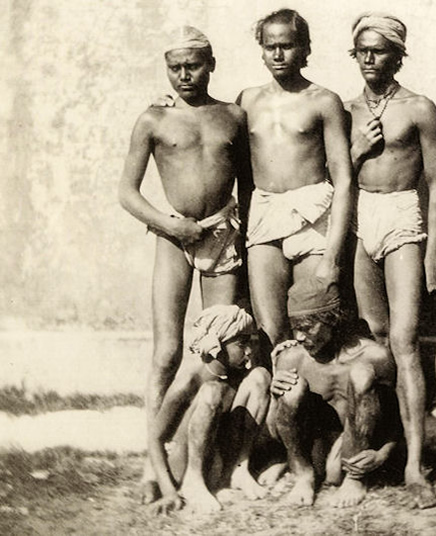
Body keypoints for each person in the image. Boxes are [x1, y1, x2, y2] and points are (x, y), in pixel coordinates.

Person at [118, 25, 253, 503]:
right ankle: (152, 468)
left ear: (211, 64)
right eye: (174, 67)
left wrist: (247, 240)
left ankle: (208, 461)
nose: (183, 75)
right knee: (167, 352)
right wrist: (171, 226)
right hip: (173, 236)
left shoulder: (232, 116)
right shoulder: (153, 119)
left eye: (192, 65)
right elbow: (127, 193)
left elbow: (250, 188)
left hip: (223, 234)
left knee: (220, 354)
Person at [345, 12, 436, 509]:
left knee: (406, 343)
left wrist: (432, 253)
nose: (368, 58)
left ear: (398, 55)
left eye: (378, 50)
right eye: (360, 50)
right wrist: (356, 148)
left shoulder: (419, 108)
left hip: (403, 216)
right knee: (376, 342)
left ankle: (415, 466)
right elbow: (332, 172)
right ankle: (380, 446)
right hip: (364, 218)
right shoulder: (344, 109)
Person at [236, 9, 353, 355]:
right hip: (265, 211)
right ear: (261, 49)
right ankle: (279, 407)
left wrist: (332, 255)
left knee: (314, 326)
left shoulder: (324, 101)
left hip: (312, 212)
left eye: (286, 45)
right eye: (270, 46)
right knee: (270, 329)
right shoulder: (246, 100)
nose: (278, 54)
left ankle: (317, 408)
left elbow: (344, 179)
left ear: (304, 48)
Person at [267, 277, 398, 508]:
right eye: (295, 328)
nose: (298, 337)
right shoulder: (292, 358)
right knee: (292, 387)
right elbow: (275, 432)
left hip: (356, 451)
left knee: (362, 374)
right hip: (316, 452)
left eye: (306, 328)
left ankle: (355, 479)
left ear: (332, 320)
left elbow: (396, 421)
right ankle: (303, 476)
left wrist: (382, 454)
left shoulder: (376, 356)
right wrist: (275, 396)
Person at [148, 305, 270, 515]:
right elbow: (155, 439)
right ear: (217, 345)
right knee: (212, 391)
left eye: (250, 342)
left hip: (217, 459)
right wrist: (168, 491)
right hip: (185, 463)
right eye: (242, 343)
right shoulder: (190, 381)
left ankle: (239, 469)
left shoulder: (237, 373)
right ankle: (193, 482)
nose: (249, 350)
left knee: (260, 377)